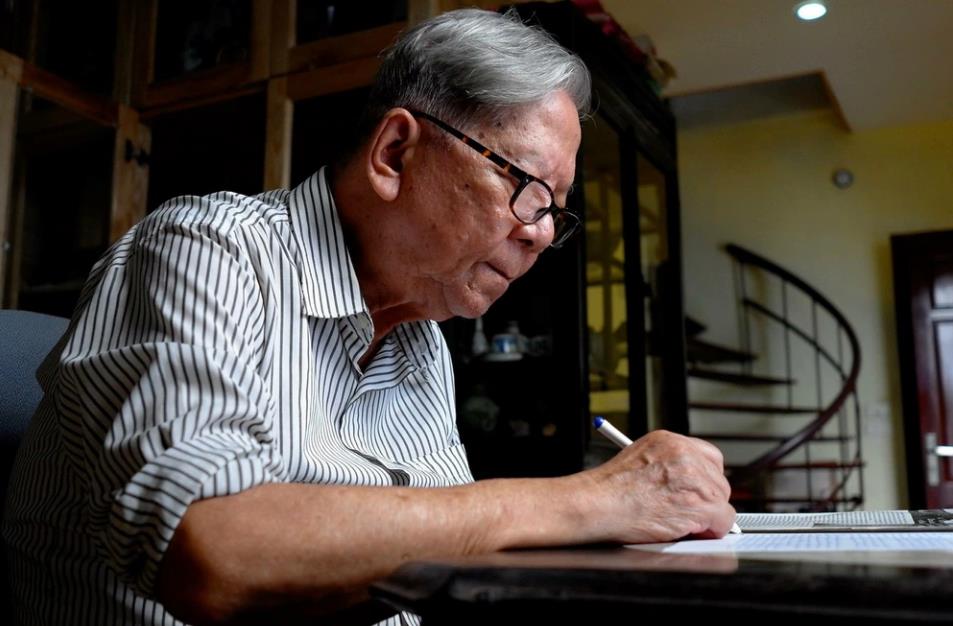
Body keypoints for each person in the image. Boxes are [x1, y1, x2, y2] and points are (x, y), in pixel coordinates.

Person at [3, 8, 735, 626]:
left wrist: (625, 521)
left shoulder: (421, 340)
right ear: (394, 152)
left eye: (554, 212)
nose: (540, 233)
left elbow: (444, 553)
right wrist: (589, 499)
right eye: (527, 186)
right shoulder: (205, 249)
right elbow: (212, 548)